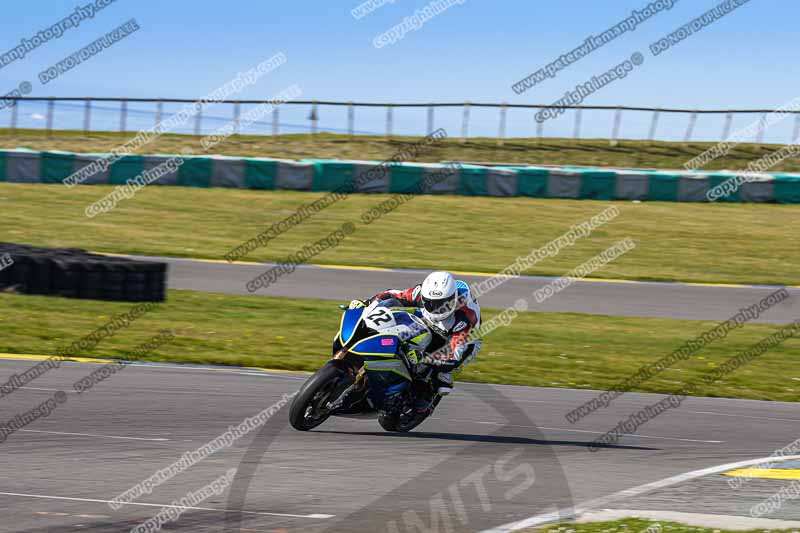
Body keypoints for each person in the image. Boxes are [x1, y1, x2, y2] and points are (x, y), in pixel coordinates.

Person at [349, 271, 482, 411]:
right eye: (431, 304)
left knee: (443, 379)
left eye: (442, 304)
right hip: (428, 320)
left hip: (463, 338)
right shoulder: (420, 292)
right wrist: (366, 303)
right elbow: (391, 295)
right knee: (401, 327)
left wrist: (424, 358)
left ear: (453, 299)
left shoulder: (465, 317)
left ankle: (426, 397)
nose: (436, 309)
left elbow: (453, 357)